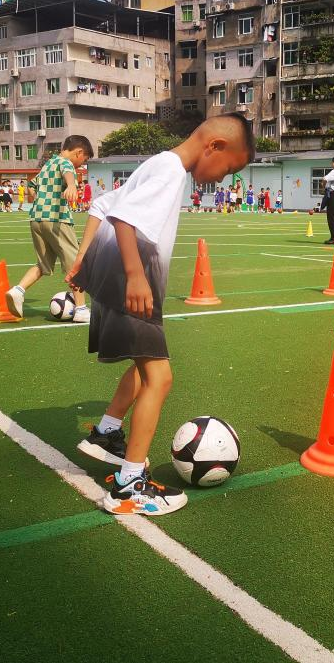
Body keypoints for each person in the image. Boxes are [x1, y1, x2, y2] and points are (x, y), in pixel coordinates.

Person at [67, 114, 255, 515]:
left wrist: (85, 261)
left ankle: (107, 434)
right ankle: (129, 485)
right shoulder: (171, 170)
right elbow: (124, 219)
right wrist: (135, 276)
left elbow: (105, 204)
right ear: (215, 147)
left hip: (114, 276)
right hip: (129, 280)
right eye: (229, 169)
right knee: (160, 377)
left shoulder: (161, 163)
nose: (222, 180)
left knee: (143, 368)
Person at [6, 136, 95, 324]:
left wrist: (42, 198)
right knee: (76, 266)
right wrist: (71, 185)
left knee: (43, 264)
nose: (81, 165)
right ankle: (80, 309)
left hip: (37, 218)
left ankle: (18, 290)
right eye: (84, 160)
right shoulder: (66, 163)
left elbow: (31, 186)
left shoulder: (48, 164)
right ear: (78, 153)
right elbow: (68, 173)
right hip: (57, 219)